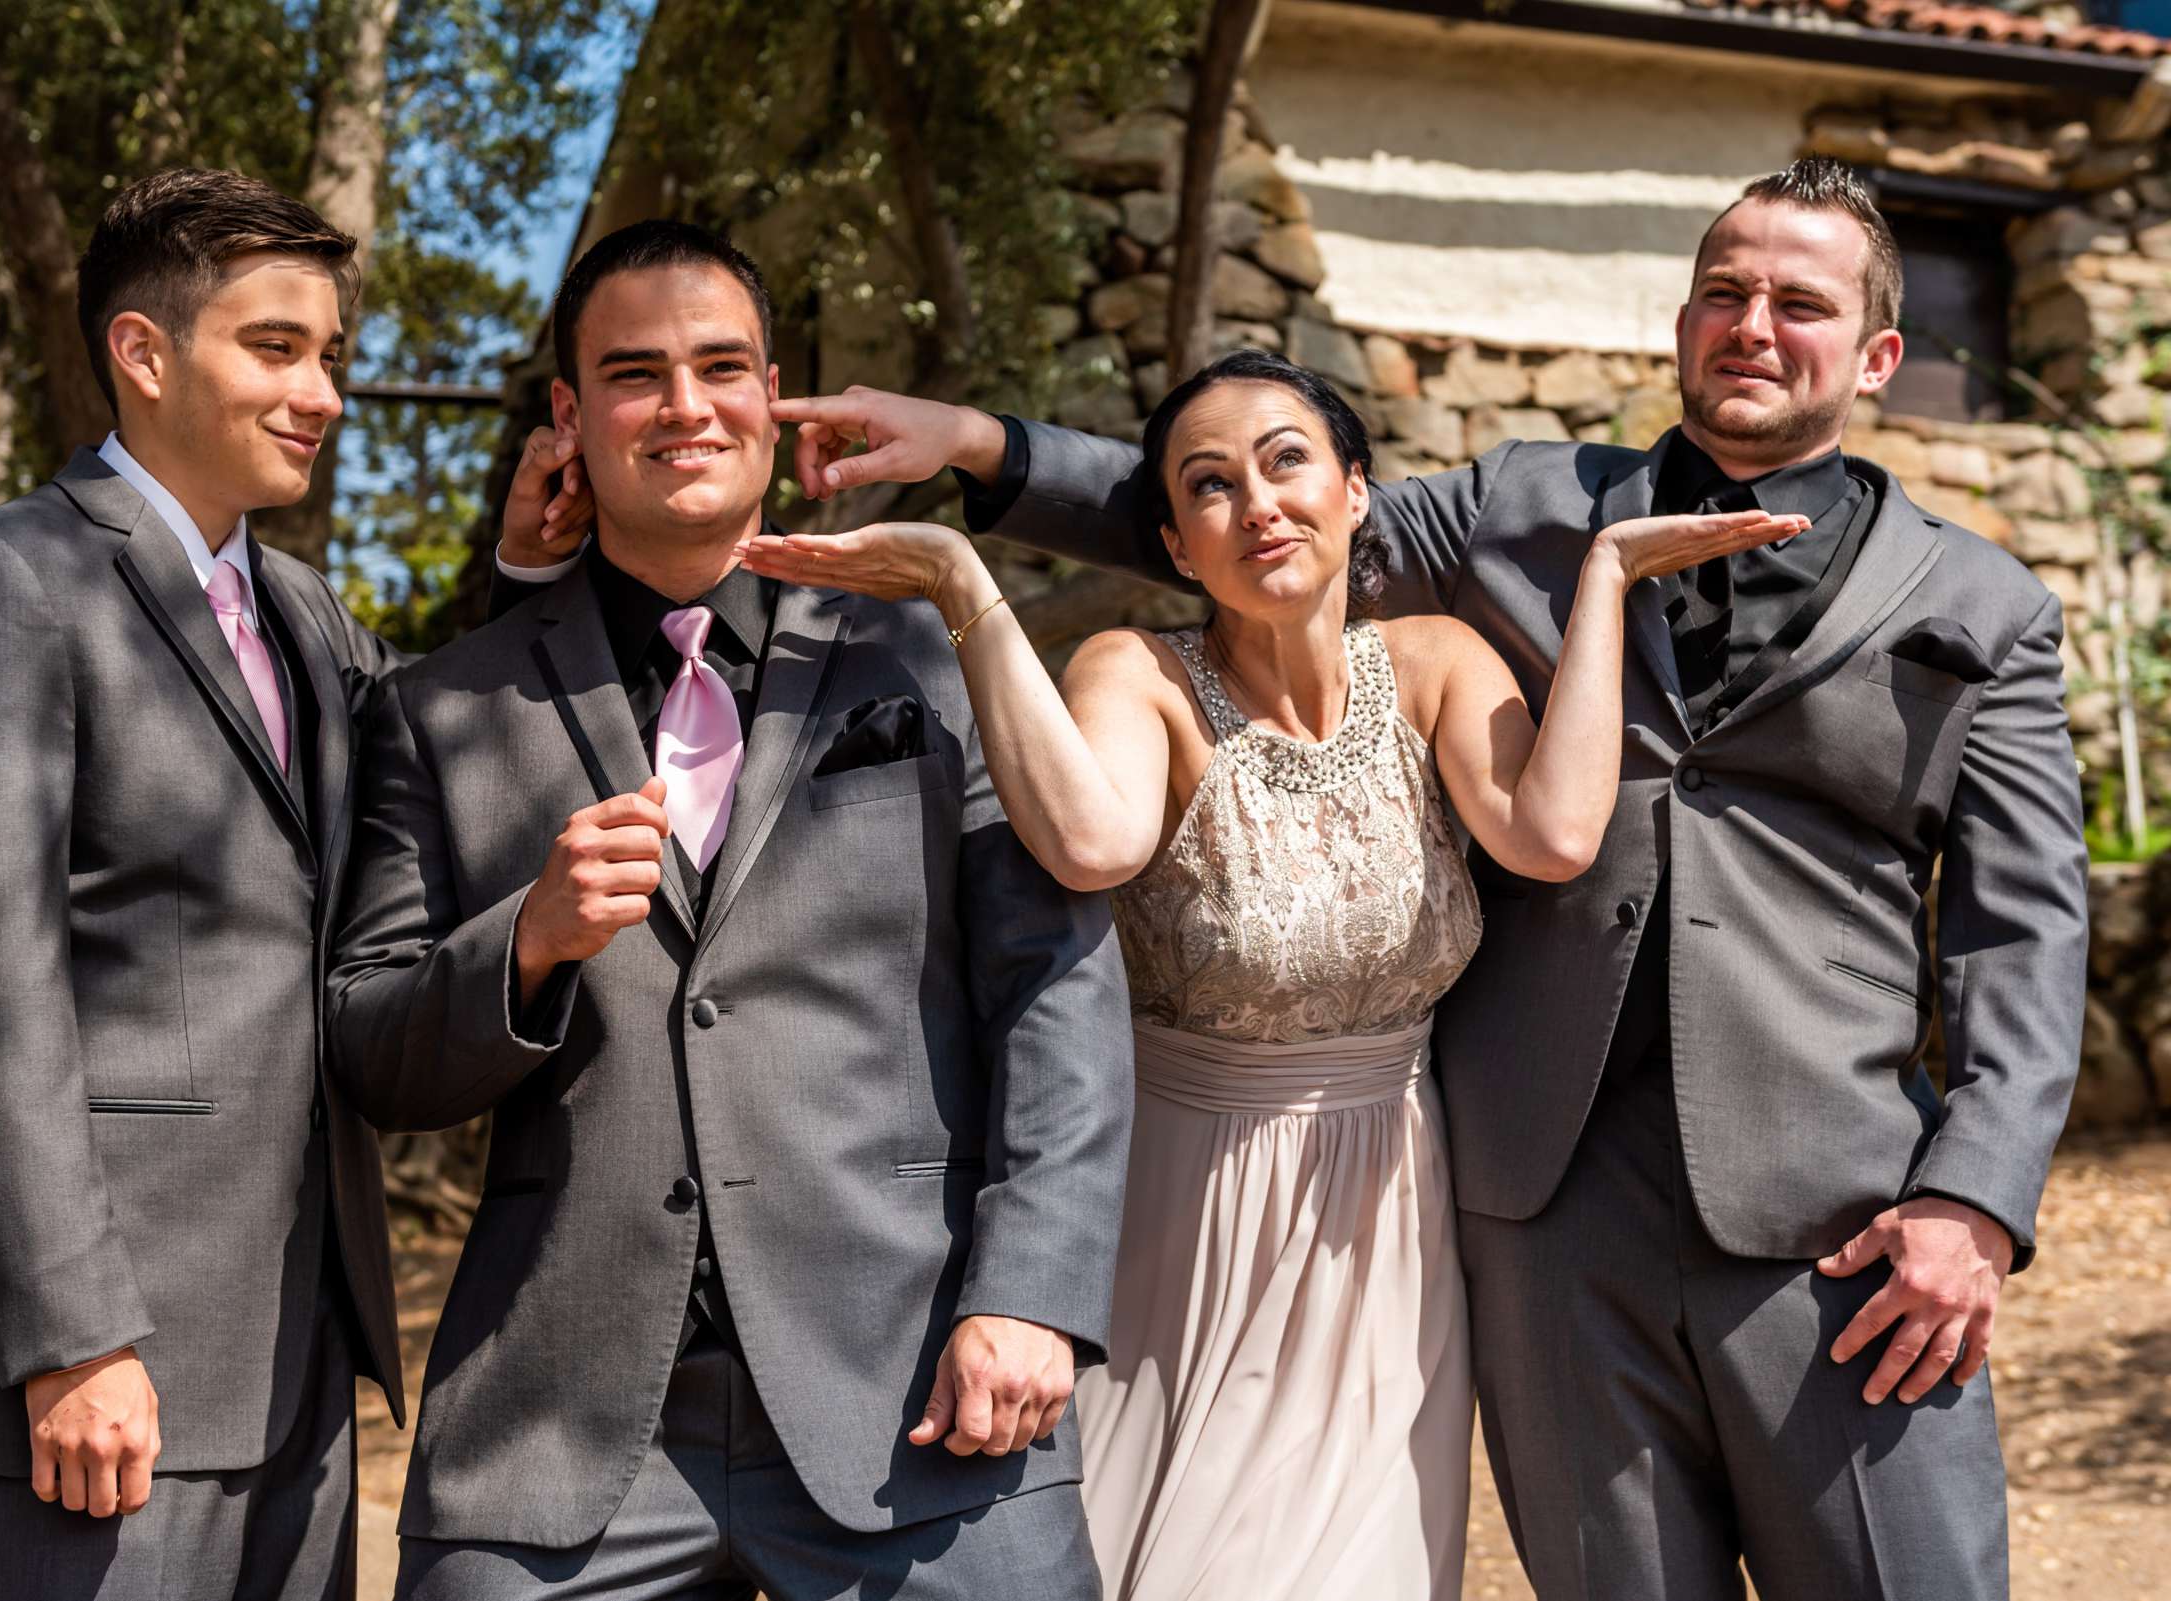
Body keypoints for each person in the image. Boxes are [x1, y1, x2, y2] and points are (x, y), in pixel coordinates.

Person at [757, 158, 2090, 1598]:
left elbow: (2023, 932)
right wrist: (968, 440)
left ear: (1879, 356)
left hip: (1838, 1216)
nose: (1752, 324)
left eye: (1800, 304)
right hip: (1540, 1204)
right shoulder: (1526, 507)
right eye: (1725, 291)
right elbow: (1260, 521)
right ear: (1683, 321)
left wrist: (1974, 1198)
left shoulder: (1983, 606)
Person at [734, 347, 1801, 1600]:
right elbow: (1091, 839)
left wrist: (1609, 574)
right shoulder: (1135, 673)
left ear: (1358, 492)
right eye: (1211, 486)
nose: (1260, 505)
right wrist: (965, 585)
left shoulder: (1438, 659)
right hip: (1184, 1206)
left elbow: (1554, 833)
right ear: (1181, 544)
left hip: (1393, 1206)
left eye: (1289, 461)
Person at [326, 218, 1134, 1601]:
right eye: (636, 374)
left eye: (723, 366)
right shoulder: (438, 707)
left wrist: (1031, 1294)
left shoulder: (932, 650)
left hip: (913, 1383)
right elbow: (370, 1046)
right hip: (565, 1414)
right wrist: (526, 945)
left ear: (775, 396)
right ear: (572, 417)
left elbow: (1059, 983)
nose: (686, 405)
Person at [0, 168, 418, 1598]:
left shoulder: (306, 612)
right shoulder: (7, 579)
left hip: (300, 1354)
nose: (322, 393)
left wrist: (535, 581)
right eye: (275, 348)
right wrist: (72, 1332)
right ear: (143, 354)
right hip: (105, 1375)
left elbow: (441, 775)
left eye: (329, 356)